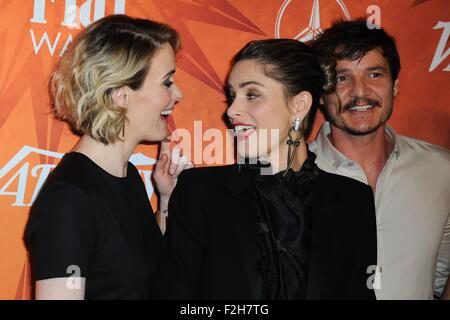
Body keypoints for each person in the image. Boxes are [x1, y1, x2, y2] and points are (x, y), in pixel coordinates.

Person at [154, 39, 377, 300]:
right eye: (232, 96)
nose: (232, 111)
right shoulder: (201, 191)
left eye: (252, 95)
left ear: (299, 105)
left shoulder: (353, 200)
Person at [24, 14, 192, 300]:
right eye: (167, 82)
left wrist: (165, 203)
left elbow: (140, 275)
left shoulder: (127, 177)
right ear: (120, 96)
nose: (179, 93)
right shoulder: (69, 200)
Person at [310, 18, 450, 300]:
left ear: (395, 86)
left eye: (374, 75)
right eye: (342, 78)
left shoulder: (441, 171)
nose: (360, 92)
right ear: (320, 95)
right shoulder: (292, 178)